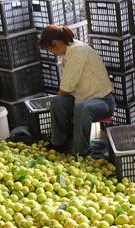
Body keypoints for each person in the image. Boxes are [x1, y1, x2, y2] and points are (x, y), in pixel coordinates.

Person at [39, 24, 115, 156]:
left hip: (103, 102)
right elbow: (65, 91)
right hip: (82, 99)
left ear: (55, 44)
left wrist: (52, 103)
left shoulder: (77, 51)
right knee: (58, 102)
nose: (53, 53)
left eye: (50, 50)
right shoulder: (69, 51)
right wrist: (54, 104)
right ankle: (59, 143)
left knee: (81, 108)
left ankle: (81, 152)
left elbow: (67, 86)